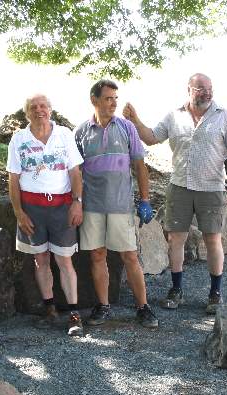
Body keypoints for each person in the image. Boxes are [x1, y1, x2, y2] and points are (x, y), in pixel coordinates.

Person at [123, 73, 227, 314]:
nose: (207, 92)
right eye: (201, 88)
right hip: (179, 186)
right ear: (189, 89)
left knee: (213, 239)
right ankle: (176, 289)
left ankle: (215, 293)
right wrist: (135, 120)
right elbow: (151, 138)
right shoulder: (174, 116)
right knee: (175, 239)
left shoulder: (224, 116)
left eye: (209, 88)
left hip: (212, 188)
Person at [74, 80, 158, 329]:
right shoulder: (81, 132)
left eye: (115, 98)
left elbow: (140, 166)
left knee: (130, 256)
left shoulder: (127, 128)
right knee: (98, 256)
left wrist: (145, 199)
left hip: (121, 206)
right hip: (92, 206)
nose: (113, 103)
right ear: (94, 100)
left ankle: (143, 307)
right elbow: (75, 172)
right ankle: (103, 306)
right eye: (108, 98)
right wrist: (76, 202)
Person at [7, 94, 85, 337]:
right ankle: (49, 308)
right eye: (33, 107)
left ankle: (74, 314)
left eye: (43, 106)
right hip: (32, 209)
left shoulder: (64, 135)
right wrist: (19, 212)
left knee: (64, 260)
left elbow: (75, 172)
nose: (39, 110)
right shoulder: (19, 139)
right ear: (27, 112)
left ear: (50, 110)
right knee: (40, 260)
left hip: (61, 207)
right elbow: (13, 179)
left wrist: (77, 202)